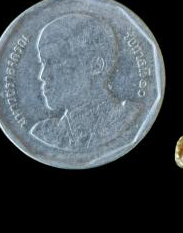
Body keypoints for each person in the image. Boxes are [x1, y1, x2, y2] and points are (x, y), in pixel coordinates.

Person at [30, 14, 139, 151]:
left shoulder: (128, 117)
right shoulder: (45, 134)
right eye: (44, 63)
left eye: (55, 61)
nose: (43, 76)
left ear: (96, 66)